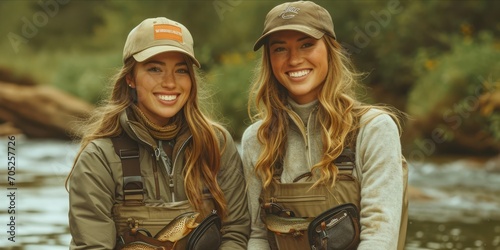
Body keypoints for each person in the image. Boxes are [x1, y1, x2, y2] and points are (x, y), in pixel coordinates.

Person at [66, 17, 250, 249]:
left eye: (181, 70)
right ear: (131, 78)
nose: (170, 82)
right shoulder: (98, 157)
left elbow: (236, 233)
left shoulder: (218, 144)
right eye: (155, 69)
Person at [242, 1, 408, 250]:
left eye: (306, 44)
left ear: (331, 49)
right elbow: (257, 235)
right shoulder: (256, 139)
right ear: (269, 60)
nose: (294, 59)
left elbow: (379, 236)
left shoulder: (374, 129)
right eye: (280, 49)